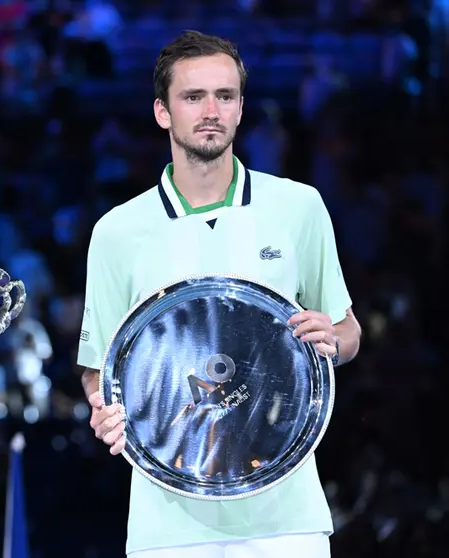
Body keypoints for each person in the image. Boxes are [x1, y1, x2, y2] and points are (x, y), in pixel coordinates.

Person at [77, 31, 362, 558]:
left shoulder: (298, 206)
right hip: (168, 520)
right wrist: (103, 407)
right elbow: (101, 367)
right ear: (163, 112)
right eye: (193, 97)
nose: (211, 111)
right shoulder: (118, 230)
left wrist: (333, 338)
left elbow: (347, 332)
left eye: (224, 96)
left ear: (240, 108)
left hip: (286, 515)